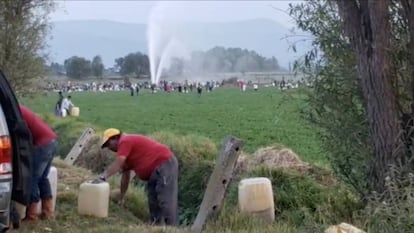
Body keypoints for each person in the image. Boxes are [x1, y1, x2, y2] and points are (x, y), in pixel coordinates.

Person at [96, 128, 179, 226]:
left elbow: (118, 163)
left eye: (108, 144)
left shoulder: (125, 140)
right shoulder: (126, 153)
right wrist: (122, 197)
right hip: (153, 173)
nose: (109, 148)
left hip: (164, 165)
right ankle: (157, 228)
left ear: (115, 138)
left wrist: (104, 176)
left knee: (166, 200)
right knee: (153, 202)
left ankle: (173, 228)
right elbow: (125, 177)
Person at [19, 105, 57, 222]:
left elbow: (22, 135)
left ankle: (32, 216)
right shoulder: (19, 108)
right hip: (52, 140)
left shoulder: (13, 111)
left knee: (31, 178)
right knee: (42, 178)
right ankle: (48, 212)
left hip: (42, 144)